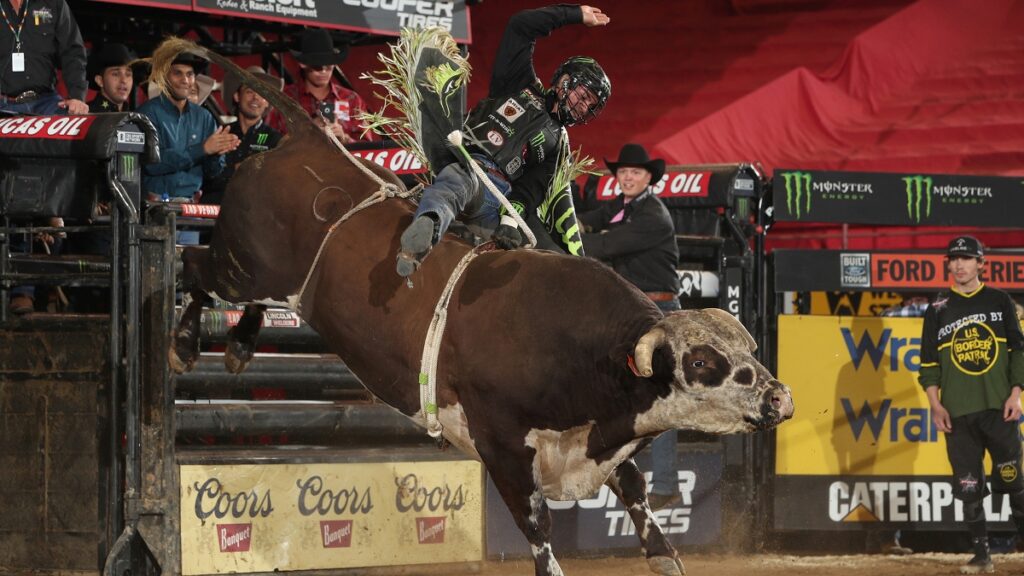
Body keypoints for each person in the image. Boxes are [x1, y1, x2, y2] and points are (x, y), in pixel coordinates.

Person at [395, 4, 611, 277]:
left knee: (525, 262)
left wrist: (510, 223)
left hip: (497, 202)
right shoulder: (517, 82)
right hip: (465, 165)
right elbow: (520, 26)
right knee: (454, 184)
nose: (583, 106)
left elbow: (531, 190)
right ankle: (424, 232)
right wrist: (575, 14)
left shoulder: (557, 147)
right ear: (564, 80)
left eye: (590, 104)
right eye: (583, 94)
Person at [578, 143, 681, 510]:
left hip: (658, 311)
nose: (628, 177)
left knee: (660, 398)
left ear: (648, 177)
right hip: (635, 311)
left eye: (635, 172)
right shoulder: (623, 207)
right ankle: (623, 469)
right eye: (623, 172)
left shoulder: (653, 215)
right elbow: (590, 218)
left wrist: (564, 240)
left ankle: (666, 481)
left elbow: (604, 245)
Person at [920, 235, 1024, 574]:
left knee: (1013, 482)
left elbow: (1018, 351)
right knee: (968, 487)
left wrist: (1016, 393)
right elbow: (928, 363)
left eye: (966, 258)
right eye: (954, 259)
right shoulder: (937, 309)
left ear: (981, 264)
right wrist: (935, 405)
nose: (959, 264)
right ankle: (982, 556)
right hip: (957, 413)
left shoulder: (999, 300)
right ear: (948, 264)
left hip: (999, 409)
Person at [137, 48, 239, 244]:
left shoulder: (204, 117)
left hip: (190, 210)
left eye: (190, 74)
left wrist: (217, 154)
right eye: (178, 73)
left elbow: (212, 173)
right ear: (163, 77)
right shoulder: (148, 113)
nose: (185, 80)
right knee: (156, 271)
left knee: (186, 271)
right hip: (155, 209)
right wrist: (202, 149)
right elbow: (151, 163)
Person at [267, 28, 372, 143]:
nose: (323, 72)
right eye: (317, 67)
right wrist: (307, 131)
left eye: (329, 67)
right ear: (303, 64)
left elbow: (367, 148)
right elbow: (267, 142)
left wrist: (344, 138)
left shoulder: (351, 99)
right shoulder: (284, 99)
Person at [201, 66, 283, 206]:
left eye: (261, 93)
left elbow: (277, 185)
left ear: (267, 101)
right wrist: (237, 170)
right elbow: (207, 179)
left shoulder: (276, 140)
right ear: (237, 96)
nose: (256, 97)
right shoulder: (220, 134)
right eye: (250, 91)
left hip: (256, 214)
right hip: (218, 213)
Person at [0, 0, 87, 115]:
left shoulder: (54, 3)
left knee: (77, 127)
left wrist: (77, 96)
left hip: (47, 103)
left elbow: (72, 51)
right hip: (3, 104)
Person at [87, 42, 135, 112]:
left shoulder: (135, 117)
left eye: (128, 75)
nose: (124, 80)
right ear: (100, 81)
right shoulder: (87, 115)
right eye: (115, 74)